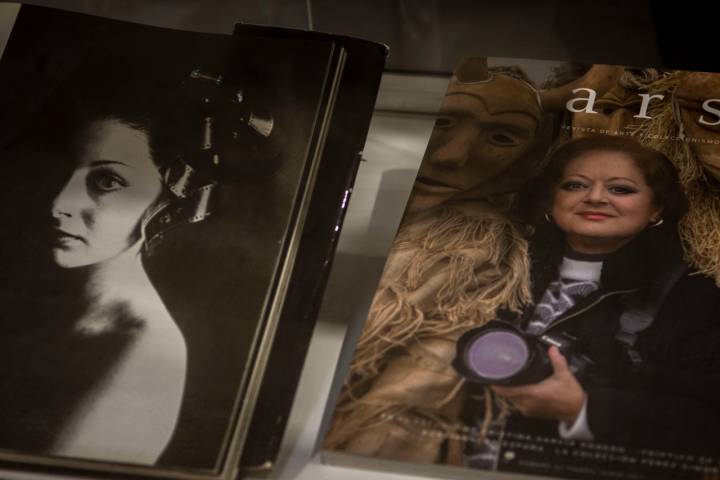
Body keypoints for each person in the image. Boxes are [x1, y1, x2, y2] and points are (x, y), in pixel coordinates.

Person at [473, 134, 720, 456]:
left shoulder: (693, 297)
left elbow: (708, 424)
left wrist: (584, 410)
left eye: (621, 189)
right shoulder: (490, 266)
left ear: (655, 209)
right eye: (575, 185)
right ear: (551, 200)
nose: (595, 197)